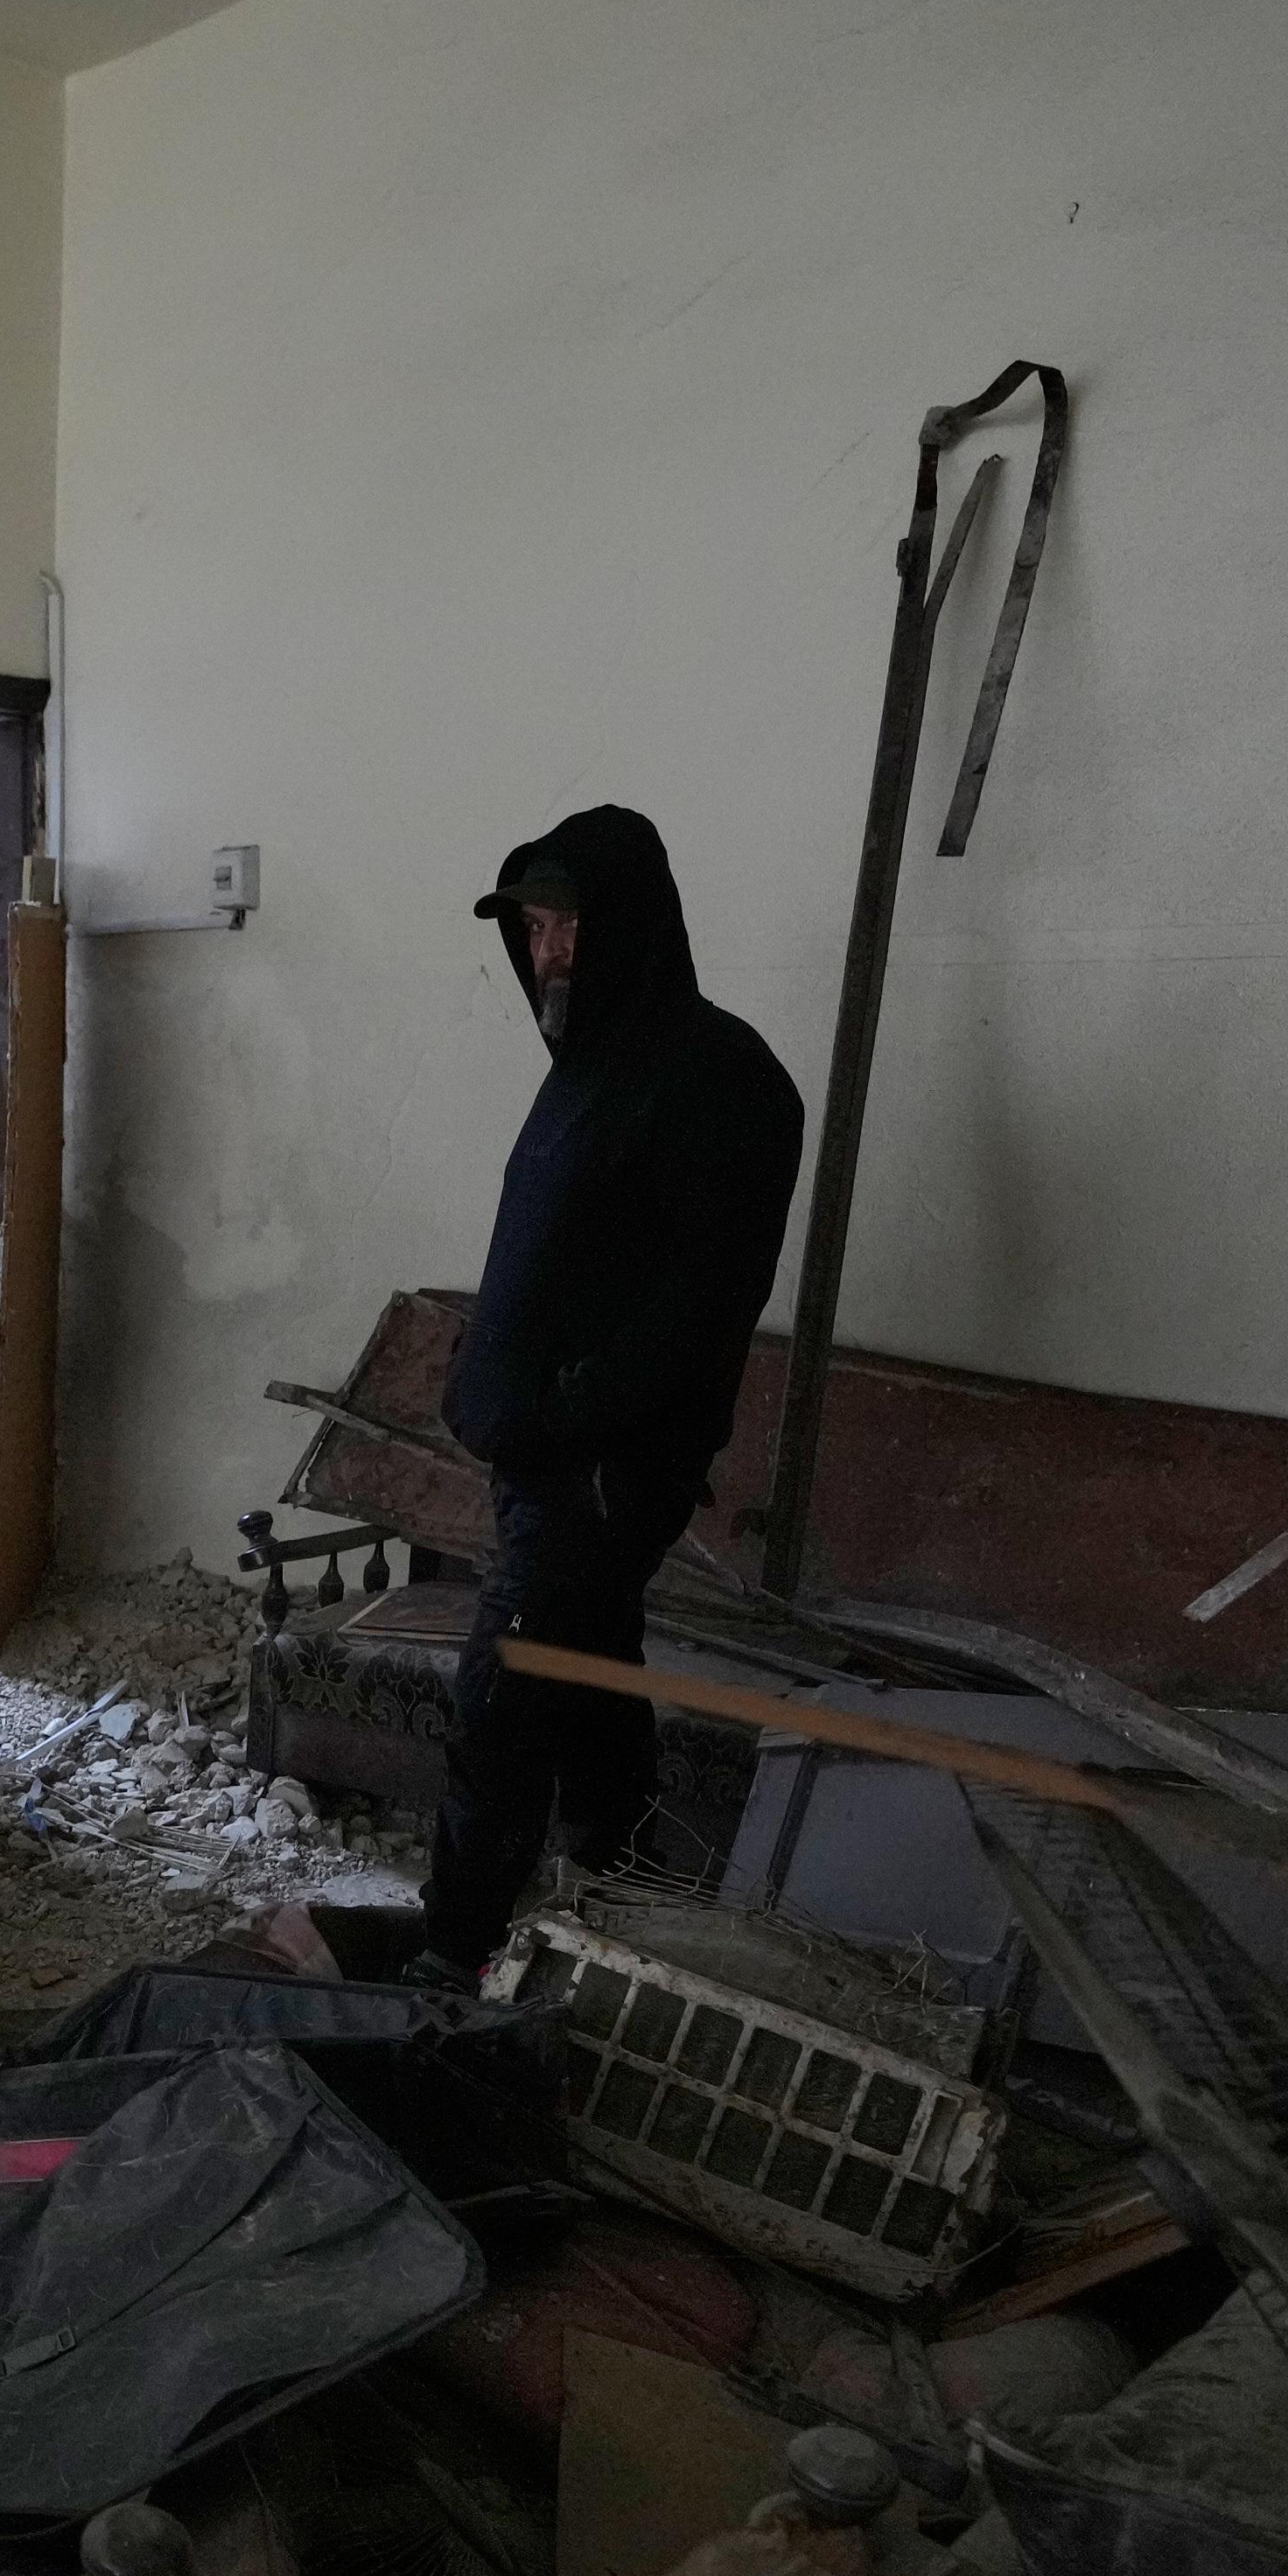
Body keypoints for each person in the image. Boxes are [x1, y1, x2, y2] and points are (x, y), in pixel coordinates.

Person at [416, 805, 806, 1978]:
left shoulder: (723, 1083)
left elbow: (693, 1317)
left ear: (628, 927)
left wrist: (548, 1408)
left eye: (567, 928)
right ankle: (626, 1893)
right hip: (545, 1461)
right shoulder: (587, 1074)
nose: (547, 954)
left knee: (504, 1699)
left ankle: (451, 1959)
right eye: (534, 930)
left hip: (607, 1468)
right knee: (589, 1675)